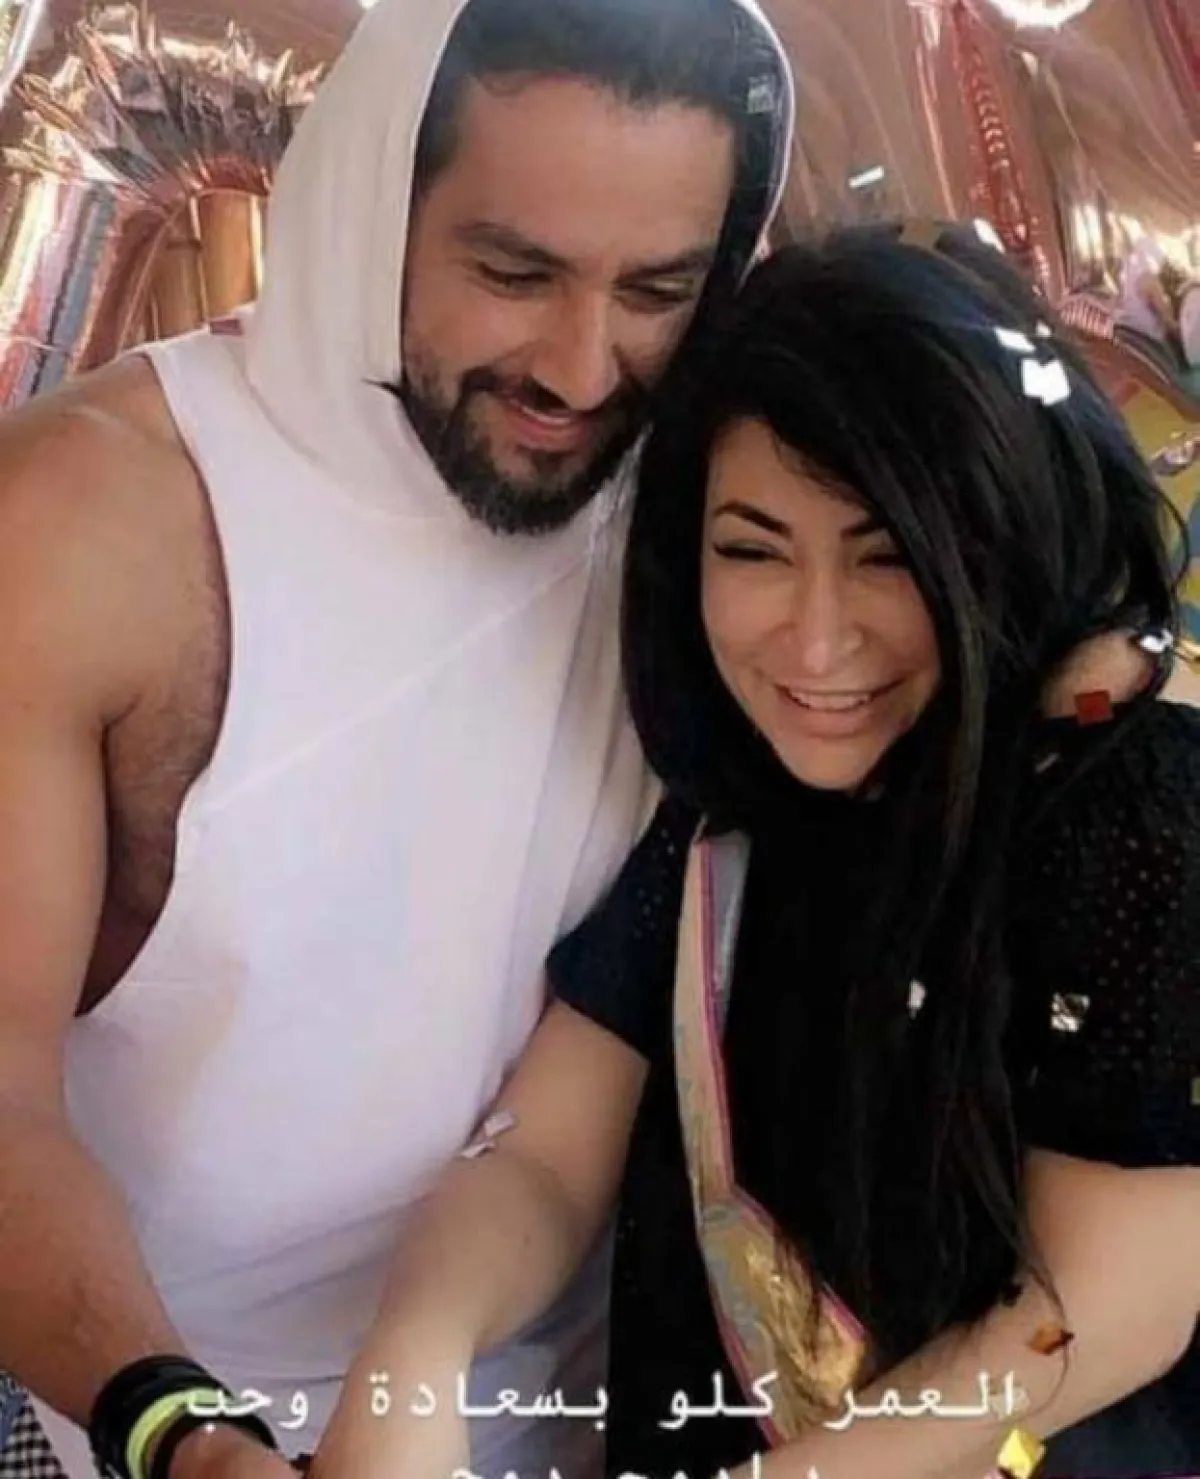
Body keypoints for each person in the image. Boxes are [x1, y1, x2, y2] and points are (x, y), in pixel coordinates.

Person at [0, 0, 794, 1476]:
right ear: (369, 207)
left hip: (627, 1405)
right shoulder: (78, 524)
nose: (582, 368)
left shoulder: (723, 520)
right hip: (157, 1410)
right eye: (515, 273)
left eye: (657, 290)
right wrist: (183, 1428)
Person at [318, 223, 1200, 1479]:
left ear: (1002, 535)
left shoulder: (1134, 803)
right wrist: (414, 1352)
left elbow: (1102, 1313)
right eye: (752, 550)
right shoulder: (729, 807)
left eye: (887, 558)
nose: (817, 642)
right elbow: (545, 1155)